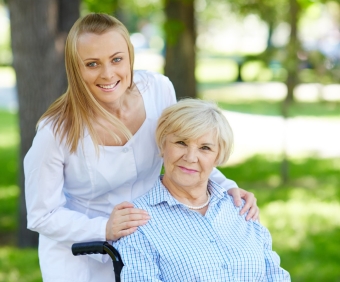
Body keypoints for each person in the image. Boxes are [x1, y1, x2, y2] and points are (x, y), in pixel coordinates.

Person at [24, 13, 259, 282]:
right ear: (75, 68)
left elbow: (184, 149)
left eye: (116, 59)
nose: (108, 74)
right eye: (92, 64)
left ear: (130, 55)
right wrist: (104, 229)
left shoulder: (157, 90)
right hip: (81, 255)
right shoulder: (55, 132)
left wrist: (227, 188)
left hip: (152, 238)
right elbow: (42, 215)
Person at [115, 99, 291, 282]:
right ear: (163, 144)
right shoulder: (137, 221)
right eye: (181, 143)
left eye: (205, 148)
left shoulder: (241, 209)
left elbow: (275, 276)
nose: (191, 157)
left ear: (218, 156)